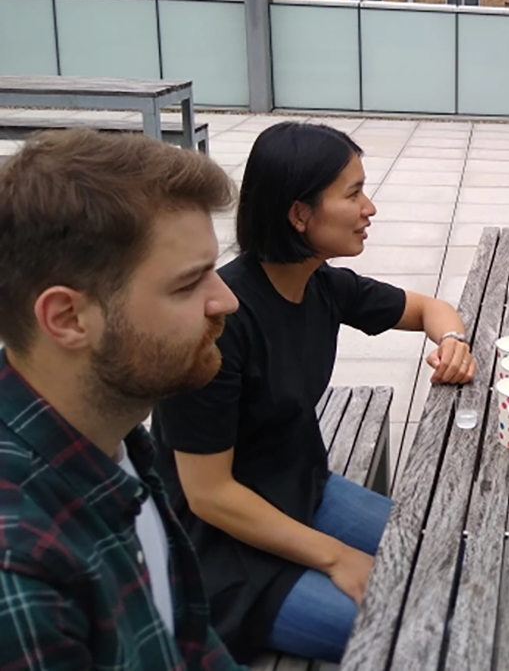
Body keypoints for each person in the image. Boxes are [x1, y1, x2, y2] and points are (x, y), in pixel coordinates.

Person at [152, 121, 477, 663]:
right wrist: (335, 557)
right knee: (416, 629)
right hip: (223, 549)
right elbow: (207, 494)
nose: (369, 207)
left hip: (304, 490)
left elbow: (427, 309)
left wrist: (453, 341)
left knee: (450, 554)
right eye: (353, 193)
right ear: (299, 214)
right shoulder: (221, 321)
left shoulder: (320, 283)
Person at [0, 130, 243, 670]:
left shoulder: (111, 433)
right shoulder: (20, 571)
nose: (225, 299)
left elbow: (186, 637)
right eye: (187, 285)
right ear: (67, 318)